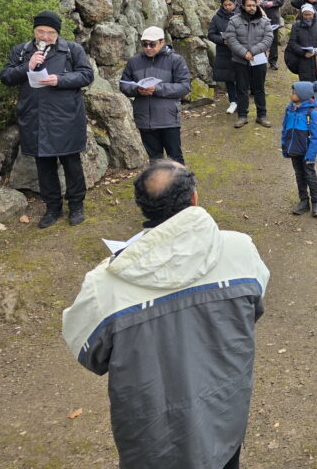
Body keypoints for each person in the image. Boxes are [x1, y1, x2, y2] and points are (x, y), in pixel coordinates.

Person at [62, 160, 270, 469]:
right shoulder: (241, 250)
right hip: (224, 418)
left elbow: (89, 354)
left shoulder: (103, 285)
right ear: (194, 198)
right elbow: (253, 310)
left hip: (152, 438)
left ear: (142, 207)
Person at [0, 11, 94, 228]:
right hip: (35, 117)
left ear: (58, 33)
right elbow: (5, 77)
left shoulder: (72, 49)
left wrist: (60, 79)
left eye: (51, 33)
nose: (45, 36)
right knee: (44, 165)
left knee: (71, 163)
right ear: (34, 30)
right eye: (41, 31)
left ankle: (76, 206)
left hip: (66, 117)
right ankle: (52, 208)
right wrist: (27, 66)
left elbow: (87, 75)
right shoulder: (22, 51)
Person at [119, 27, 192, 165]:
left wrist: (157, 89)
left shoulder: (176, 60)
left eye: (152, 44)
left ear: (162, 42)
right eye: (144, 44)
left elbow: (184, 86)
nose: (148, 48)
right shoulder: (134, 61)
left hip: (168, 118)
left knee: (175, 159)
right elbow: (124, 84)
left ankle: (180, 180)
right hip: (144, 119)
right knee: (155, 160)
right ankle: (158, 180)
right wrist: (137, 90)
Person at [223, 0, 274, 128]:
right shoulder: (234, 21)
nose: (251, 8)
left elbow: (268, 38)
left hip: (258, 60)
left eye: (253, 5)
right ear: (243, 6)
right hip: (240, 60)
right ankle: (242, 116)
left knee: (259, 89)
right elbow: (230, 39)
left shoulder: (264, 21)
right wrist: (244, 53)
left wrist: (253, 51)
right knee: (241, 88)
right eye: (249, 5)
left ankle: (261, 115)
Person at [282, 81, 317, 217]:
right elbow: (285, 129)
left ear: (303, 95)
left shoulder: (312, 113)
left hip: (307, 153)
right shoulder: (289, 110)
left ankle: (316, 202)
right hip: (294, 150)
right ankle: (304, 201)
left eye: (294, 93)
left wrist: (311, 155)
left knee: (310, 175)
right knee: (299, 175)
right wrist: (284, 146)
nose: (292, 95)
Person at [284, 3, 317, 98]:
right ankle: (307, 104)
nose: (307, 17)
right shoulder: (296, 26)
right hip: (303, 62)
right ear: (302, 14)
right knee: (306, 91)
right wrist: (303, 53)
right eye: (305, 14)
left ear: (313, 14)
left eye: (309, 14)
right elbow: (292, 43)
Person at [242, 0, 285, 68]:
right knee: (259, 40)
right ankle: (262, 60)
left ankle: (273, 61)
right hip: (256, 17)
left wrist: (273, 3)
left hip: (272, 17)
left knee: (273, 40)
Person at [208, 0, 239, 114]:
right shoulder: (217, 17)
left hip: (240, 50)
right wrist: (222, 40)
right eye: (225, 5)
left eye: (230, 5)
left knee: (241, 76)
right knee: (228, 77)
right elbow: (211, 34)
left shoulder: (242, 15)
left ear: (235, 4)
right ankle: (233, 101)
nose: (227, 7)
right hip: (224, 51)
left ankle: (242, 100)